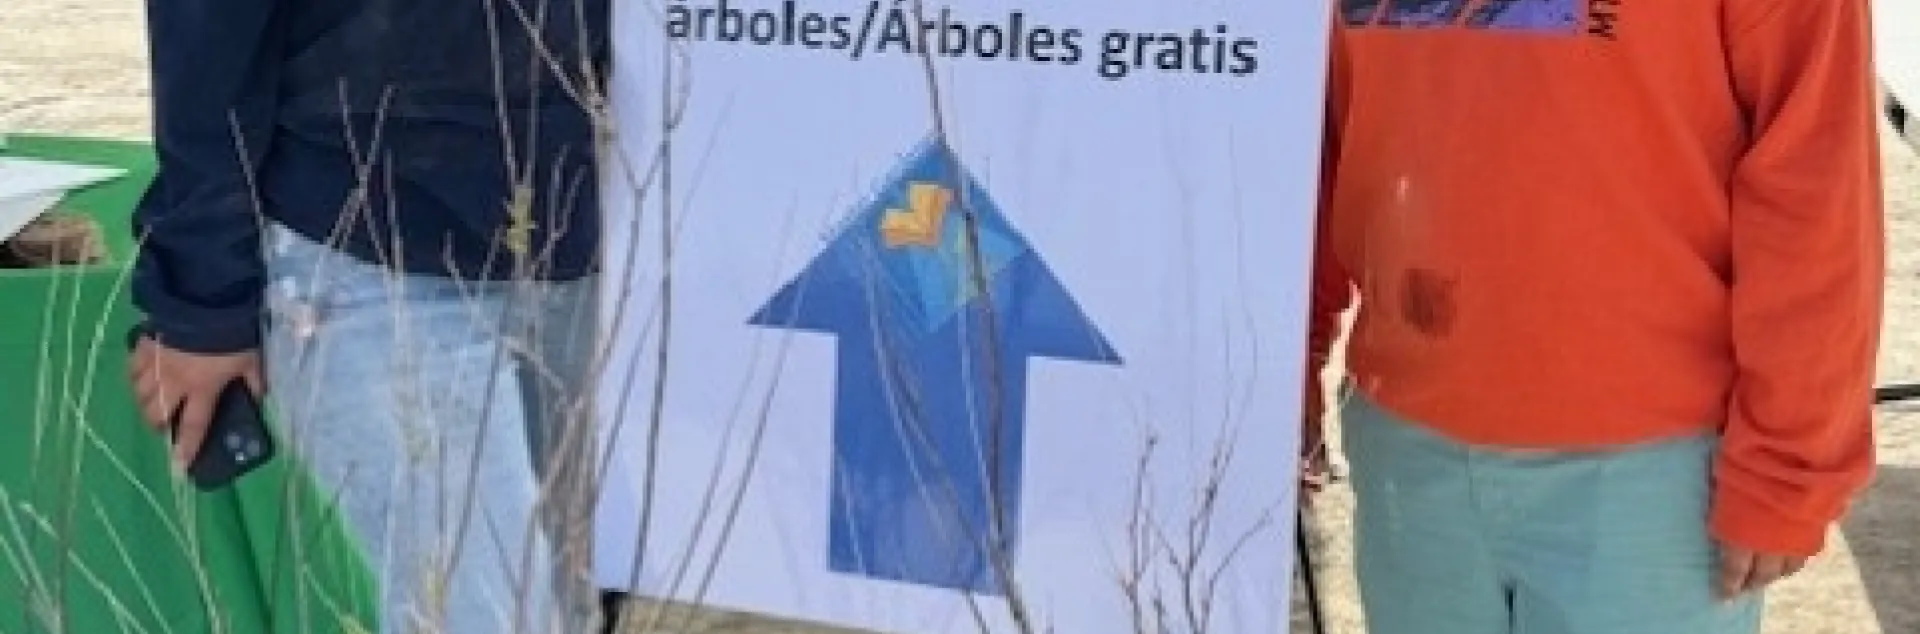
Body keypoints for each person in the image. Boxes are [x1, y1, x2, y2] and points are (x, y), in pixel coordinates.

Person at [1304, 1, 1883, 633]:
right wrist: (1272, 379)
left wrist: (1788, 465)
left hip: (1655, 484)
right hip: (1409, 464)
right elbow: (1306, 145)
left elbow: (1815, 181)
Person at [125, 1, 610, 632]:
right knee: (489, 616)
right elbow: (205, 37)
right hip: (364, 246)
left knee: (567, 611)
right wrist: (200, 297)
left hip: (579, 241)